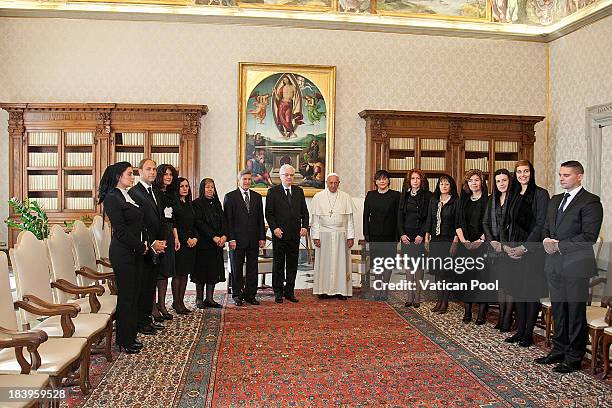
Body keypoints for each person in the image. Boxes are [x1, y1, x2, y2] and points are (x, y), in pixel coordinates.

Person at [535, 160, 603, 373]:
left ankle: (574, 356)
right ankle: (559, 350)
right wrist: (546, 240)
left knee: (574, 311)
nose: (561, 178)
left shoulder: (591, 201)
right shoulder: (555, 200)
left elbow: (589, 236)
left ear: (579, 176)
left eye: (566, 175)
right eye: (560, 175)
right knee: (559, 310)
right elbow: (546, 227)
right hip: (554, 265)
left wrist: (559, 246)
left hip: (576, 266)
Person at [99, 162, 147, 354]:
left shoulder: (126, 195)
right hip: (123, 252)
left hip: (135, 251)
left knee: (134, 293)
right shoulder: (112, 198)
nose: (132, 177)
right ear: (119, 176)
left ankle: (130, 334)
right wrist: (141, 246)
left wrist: (143, 245)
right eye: (129, 174)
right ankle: (124, 340)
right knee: (127, 296)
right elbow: (120, 231)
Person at [503, 160, 549, 347]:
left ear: (532, 172)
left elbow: (541, 224)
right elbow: (508, 222)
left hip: (532, 252)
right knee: (518, 291)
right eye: (519, 172)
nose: (523, 175)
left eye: (526, 171)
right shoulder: (513, 194)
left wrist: (525, 247)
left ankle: (528, 333)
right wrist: (508, 246)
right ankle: (520, 330)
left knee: (530, 293)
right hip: (513, 250)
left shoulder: (540, 194)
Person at [128, 158, 167, 335]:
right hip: (144, 247)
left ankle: (147, 320)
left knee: (150, 285)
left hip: (156, 248)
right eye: (148, 169)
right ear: (140, 172)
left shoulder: (155, 192)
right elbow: (139, 223)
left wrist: (162, 241)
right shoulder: (135, 193)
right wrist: (152, 242)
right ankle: (140, 323)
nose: (152, 172)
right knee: (143, 287)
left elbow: (160, 219)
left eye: (154, 169)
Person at [265, 164, 309, 304]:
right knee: (278, 264)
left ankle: (290, 291)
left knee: (292, 264)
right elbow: (269, 213)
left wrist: (305, 227)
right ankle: (278, 292)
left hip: (294, 235)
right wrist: (275, 228)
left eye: (291, 175)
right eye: (286, 175)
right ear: (281, 176)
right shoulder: (273, 192)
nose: (289, 177)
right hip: (279, 235)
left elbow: (305, 213)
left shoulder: (298, 191)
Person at [223, 169, 266, 306]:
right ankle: (237, 295)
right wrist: (231, 239)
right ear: (239, 180)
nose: (247, 181)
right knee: (237, 268)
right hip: (236, 240)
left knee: (253, 269)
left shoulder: (257, 197)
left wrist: (262, 237)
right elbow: (227, 220)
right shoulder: (230, 197)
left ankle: (250, 295)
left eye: (249, 179)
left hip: (253, 239)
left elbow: (260, 219)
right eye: (244, 179)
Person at [311, 173, 355, 300]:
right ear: (326, 183)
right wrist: (315, 236)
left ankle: (341, 290)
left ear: (339, 183)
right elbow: (315, 220)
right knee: (324, 263)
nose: (333, 185)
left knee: (341, 264)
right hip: (324, 234)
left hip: (341, 234)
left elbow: (349, 220)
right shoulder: (318, 197)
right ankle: (323, 290)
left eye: (336, 183)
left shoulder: (346, 197)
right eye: (331, 183)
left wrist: (350, 237)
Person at [455, 169, 489, 324]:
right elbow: (458, 223)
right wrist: (464, 241)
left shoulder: (488, 200)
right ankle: (468, 311)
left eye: (476, 180)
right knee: (466, 279)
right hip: (465, 245)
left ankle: (481, 313)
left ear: (482, 182)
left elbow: (489, 225)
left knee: (482, 280)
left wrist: (479, 241)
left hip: (482, 245)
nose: (473, 183)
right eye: (470, 181)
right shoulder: (464, 200)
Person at [483, 169, 513, 332]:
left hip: (510, 247)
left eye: (504, 180)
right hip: (494, 248)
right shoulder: (491, 200)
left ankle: (508, 318)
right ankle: (501, 317)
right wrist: (492, 241)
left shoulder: (514, 199)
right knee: (500, 285)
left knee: (509, 284)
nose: (501, 184)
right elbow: (485, 222)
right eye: (498, 181)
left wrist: (505, 244)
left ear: (510, 181)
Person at [424, 174, 459, 314]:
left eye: (446, 184)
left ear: (451, 186)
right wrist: (427, 237)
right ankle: (439, 301)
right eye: (441, 184)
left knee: (446, 273)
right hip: (436, 241)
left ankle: (445, 302)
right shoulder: (434, 200)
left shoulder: (456, 201)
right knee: (437, 273)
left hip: (449, 240)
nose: (443, 186)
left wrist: (455, 242)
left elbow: (458, 222)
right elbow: (429, 220)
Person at [363, 170, 400, 300]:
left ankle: (385, 289)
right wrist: (366, 233)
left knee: (388, 263)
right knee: (377, 263)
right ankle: (378, 288)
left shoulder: (396, 195)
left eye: (384, 179)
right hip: (374, 235)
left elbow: (398, 217)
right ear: (376, 182)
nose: (382, 181)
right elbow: (366, 215)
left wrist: (398, 235)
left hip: (390, 235)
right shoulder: (371, 195)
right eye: (379, 179)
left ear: (388, 180)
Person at [397, 169, 431, 308]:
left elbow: (429, 218)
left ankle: (417, 296)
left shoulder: (428, 196)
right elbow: (399, 216)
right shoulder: (404, 195)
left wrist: (422, 235)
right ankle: (409, 296)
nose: (415, 181)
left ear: (421, 181)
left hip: (419, 236)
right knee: (408, 267)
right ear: (409, 181)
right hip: (406, 235)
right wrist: (402, 234)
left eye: (418, 178)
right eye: (413, 178)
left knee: (418, 267)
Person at [192, 178, 227, 309]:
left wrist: (224, 235)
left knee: (213, 272)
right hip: (203, 244)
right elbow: (199, 223)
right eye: (207, 187)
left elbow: (223, 220)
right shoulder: (197, 203)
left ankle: (210, 298)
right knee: (201, 272)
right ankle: (199, 298)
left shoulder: (217, 203)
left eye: (212, 187)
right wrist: (214, 237)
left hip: (217, 245)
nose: (210, 189)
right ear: (202, 188)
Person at [153, 164, 180, 320]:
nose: (168, 177)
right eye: (165, 174)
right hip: (158, 234)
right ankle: (153, 307)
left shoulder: (171, 193)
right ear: (159, 175)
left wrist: (175, 237)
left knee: (166, 271)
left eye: (171, 174)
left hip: (169, 232)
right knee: (156, 272)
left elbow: (172, 217)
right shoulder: (154, 192)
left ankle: (162, 304)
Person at [173, 177, 198, 312]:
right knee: (178, 274)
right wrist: (186, 239)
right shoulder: (175, 205)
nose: (184, 189)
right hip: (180, 244)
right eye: (182, 186)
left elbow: (195, 224)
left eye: (187, 186)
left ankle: (181, 302)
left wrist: (195, 238)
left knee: (185, 274)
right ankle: (176, 303)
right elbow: (175, 225)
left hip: (191, 244)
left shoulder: (190, 204)